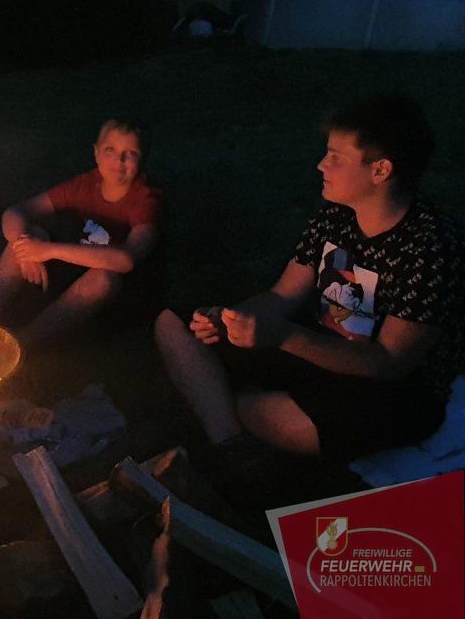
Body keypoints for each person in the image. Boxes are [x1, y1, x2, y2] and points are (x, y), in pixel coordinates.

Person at [155, 96, 464, 484]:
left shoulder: (430, 246)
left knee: (271, 413)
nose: (321, 165)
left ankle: (227, 413)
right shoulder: (334, 218)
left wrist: (283, 337)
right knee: (173, 324)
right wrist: (232, 319)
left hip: (388, 388)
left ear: (380, 170)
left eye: (336, 157)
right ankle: (234, 447)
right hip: (316, 346)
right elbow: (282, 296)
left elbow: (388, 361)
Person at [0, 118, 166, 348]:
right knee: (27, 237)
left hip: (121, 297)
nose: (119, 160)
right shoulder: (86, 185)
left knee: (104, 278)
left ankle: (23, 345)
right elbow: (16, 212)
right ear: (96, 153)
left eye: (131, 153)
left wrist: (47, 251)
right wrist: (27, 252)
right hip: (74, 273)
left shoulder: (146, 200)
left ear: (143, 158)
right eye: (110, 150)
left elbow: (125, 260)